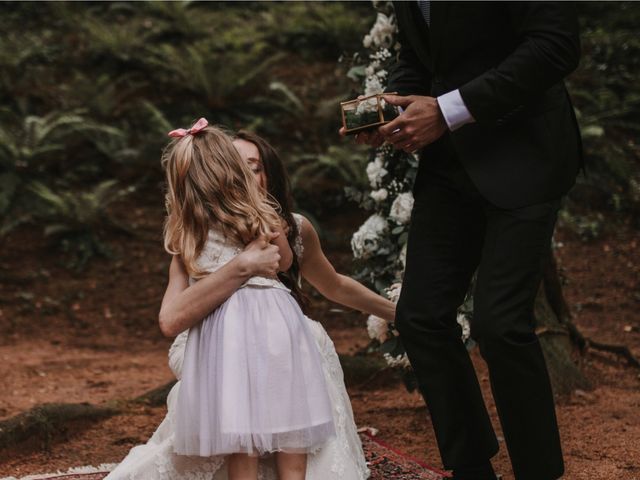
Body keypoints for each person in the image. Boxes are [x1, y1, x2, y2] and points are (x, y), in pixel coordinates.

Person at [342, 3, 583, 480]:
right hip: (451, 169)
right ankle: (472, 469)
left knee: (501, 324)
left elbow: (555, 46)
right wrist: (393, 109)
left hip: (526, 158)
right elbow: (421, 52)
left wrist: (449, 111)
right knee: (421, 317)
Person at [105, 127, 396, 480]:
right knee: (251, 421)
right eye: (236, 165)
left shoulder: (287, 225)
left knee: (305, 356)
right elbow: (170, 318)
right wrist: (242, 265)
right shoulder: (196, 234)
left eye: (253, 167)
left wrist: (398, 313)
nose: (242, 174)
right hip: (223, 342)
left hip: (272, 337)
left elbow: (334, 284)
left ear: (267, 173)